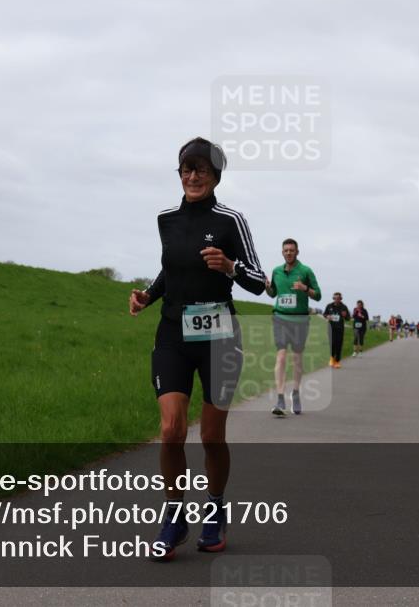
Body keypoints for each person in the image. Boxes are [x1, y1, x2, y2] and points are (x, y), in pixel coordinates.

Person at [129, 137, 266, 561]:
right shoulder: (166, 218)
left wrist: (230, 266)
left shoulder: (231, 220)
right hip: (172, 333)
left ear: (215, 176)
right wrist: (148, 296)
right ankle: (174, 515)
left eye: (201, 170)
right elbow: (170, 268)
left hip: (219, 335)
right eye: (186, 169)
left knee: (210, 436)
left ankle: (216, 508)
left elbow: (260, 281)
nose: (193, 176)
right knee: (170, 431)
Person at [265, 239, 320, 416]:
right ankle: (280, 397)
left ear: (297, 252)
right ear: (282, 252)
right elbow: (273, 293)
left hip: (300, 320)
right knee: (281, 356)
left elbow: (318, 295)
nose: (288, 253)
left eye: (291, 250)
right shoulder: (276, 271)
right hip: (280, 318)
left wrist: (305, 288)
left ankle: (295, 393)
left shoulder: (305, 271)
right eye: (286, 250)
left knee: (297, 359)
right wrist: (267, 288)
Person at [323, 292, 349, 368]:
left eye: (338, 298)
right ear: (333, 298)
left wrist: (345, 315)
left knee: (338, 345)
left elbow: (348, 318)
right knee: (332, 344)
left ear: (341, 299)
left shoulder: (344, 307)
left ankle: (337, 361)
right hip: (331, 328)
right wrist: (327, 316)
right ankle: (331, 359)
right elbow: (324, 314)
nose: (336, 300)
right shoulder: (329, 306)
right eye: (335, 298)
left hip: (340, 328)